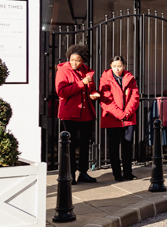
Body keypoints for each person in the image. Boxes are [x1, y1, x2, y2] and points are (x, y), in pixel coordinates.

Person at [55, 43, 100, 184]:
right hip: (70, 113)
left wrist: (93, 94)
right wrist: (81, 83)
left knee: (85, 144)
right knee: (71, 144)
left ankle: (83, 172)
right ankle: (70, 173)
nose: (74, 63)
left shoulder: (87, 71)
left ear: (83, 61)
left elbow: (90, 88)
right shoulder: (62, 71)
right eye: (72, 59)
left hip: (86, 113)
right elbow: (61, 92)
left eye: (78, 60)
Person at [99, 55, 140, 181]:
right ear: (111, 66)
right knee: (114, 148)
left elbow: (135, 97)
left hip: (128, 119)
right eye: (115, 66)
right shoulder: (105, 78)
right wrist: (120, 114)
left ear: (124, 66)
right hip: (112, 119)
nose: (117, 69)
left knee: (127, 147)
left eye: (120, 66)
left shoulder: (130, 78)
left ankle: (128, 172)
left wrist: (127, 113)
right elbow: (106, 100)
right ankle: (117, 174)